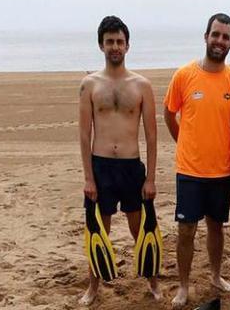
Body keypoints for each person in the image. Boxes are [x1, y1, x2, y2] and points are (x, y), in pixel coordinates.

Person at [164, 13, 230, 308]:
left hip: (221, 172)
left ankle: (215, 274)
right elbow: (169, 113)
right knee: (186, 230)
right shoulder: (184, 75)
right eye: (215, 34)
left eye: (225, 37)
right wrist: (184, 142)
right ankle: (183, 286)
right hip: (189, 170)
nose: (219, 41)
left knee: (216, 226)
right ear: (206, 36)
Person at [79, 16, 159, 305]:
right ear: (101, 45)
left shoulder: (142, 85)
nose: (115, 46)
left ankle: (152, 282)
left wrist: (150, 178)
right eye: (110, 41)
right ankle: (93, 286)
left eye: (120, 42)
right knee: (98, 229)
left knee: (142, 228)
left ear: (128, 45)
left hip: (130, 166)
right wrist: (88, 177)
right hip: (101, 167)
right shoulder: (89, 85)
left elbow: (151, 135)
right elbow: (83, 134)